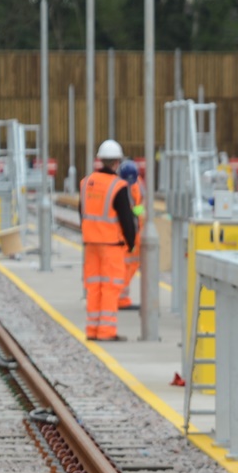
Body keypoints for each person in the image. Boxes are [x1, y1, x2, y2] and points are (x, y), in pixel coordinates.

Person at [78, 140, 138, 341]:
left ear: (100, 159)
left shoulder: (86, 182)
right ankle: (106, 331)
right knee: (111, 287)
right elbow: (126, 218)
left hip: (90, 243)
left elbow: (82, 212)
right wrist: (131, 242)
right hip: (111, 245)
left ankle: (92, 330)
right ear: (117, 162)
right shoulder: (118, 186)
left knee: (93, 286)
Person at [115, 159, 145, 310]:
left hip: (135, 228)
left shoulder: (136, 183)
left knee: (131, 263)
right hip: (127, 231)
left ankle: (121, 295)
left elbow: (140, 204)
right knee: (124, 264)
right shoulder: (120, 185)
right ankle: (120, 297)